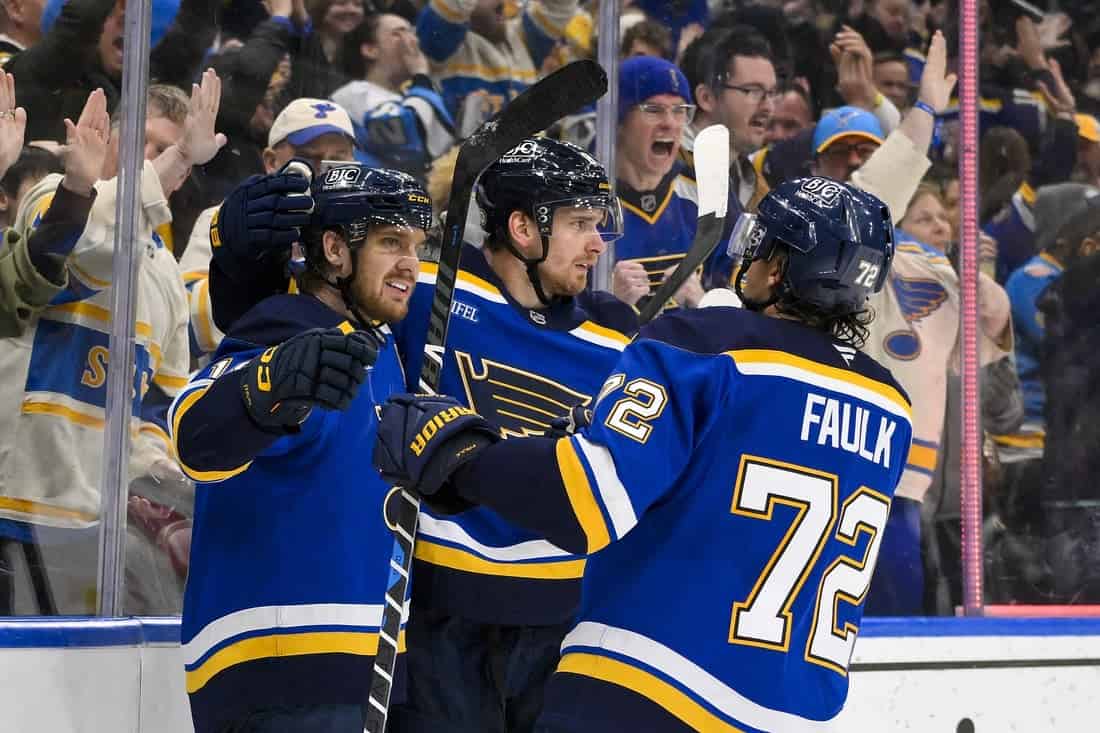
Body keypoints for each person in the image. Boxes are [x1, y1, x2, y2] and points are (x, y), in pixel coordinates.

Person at [374, 177, 913, 731]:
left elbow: (585, 502)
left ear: (777, 269)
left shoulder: (704, 345)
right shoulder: (892, 406)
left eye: (759, 246)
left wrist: (460, 454)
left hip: (648, 693)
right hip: (795, 715)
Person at [169, 162, 432, 733]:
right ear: (334, 249)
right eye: (391, 242)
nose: (410, 262)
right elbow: (193, 435)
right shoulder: (288, 328)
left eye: (416, 244)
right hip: (280, 665)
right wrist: (268, 385)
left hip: (356, 669)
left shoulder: (378, 347)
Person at [385, 136, 635, 733]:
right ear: (522, 228)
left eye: (598, 226)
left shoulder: (616, 339)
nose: (597, 245)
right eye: (579, 224)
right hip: (436, 615)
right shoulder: (430, 290)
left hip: (561, 624)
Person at [0, 74, 222, 615]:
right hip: (13, 503)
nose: (154, 159)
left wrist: (159, 485)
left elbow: (153, 411)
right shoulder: (55, 199)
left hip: (93, 530)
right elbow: (91, 255)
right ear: (108, 138)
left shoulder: (167, 274)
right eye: (145, 143)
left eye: (169, 148)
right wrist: (171, 164)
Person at [180, 96, 357, 361]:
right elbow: (182, 327)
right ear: (272, 161)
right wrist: (244, 272)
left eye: (338, 161)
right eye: (310, 158)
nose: (323, 171)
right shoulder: (225, 216)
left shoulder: (366, 233)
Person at [610, 55, 702, 311]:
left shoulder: (704, 192)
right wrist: (606, 304)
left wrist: (705, 302)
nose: (670, 123)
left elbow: (744, 290)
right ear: (618, 121)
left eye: (680, 110)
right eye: (653, 109)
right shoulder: (582, 203)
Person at [332, 12, 455, 181]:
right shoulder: (353, 95)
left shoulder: (411, 96)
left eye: (411, 32)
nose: (412, 41)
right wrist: (420, 75)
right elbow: (408, 143)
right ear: (370, 50)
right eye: (398, 33)